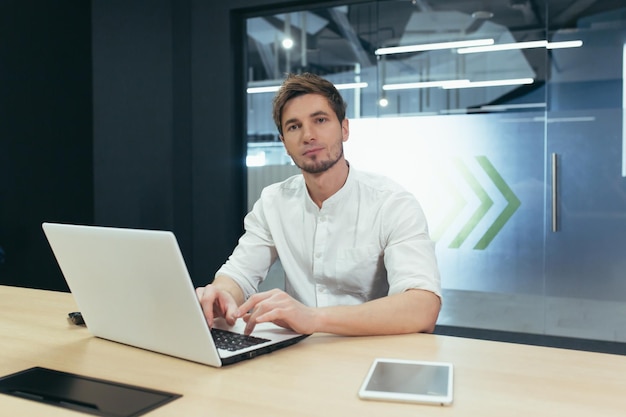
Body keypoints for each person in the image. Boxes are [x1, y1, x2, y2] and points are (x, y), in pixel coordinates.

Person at [197, 72, 441, 336]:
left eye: (320, 120)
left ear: (344, 128)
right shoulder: (273, 202)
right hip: (299, 356)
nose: (308, 135)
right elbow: (239, 274)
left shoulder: (392, 203)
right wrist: (221, 293)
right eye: (294, 126)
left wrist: (314, 319)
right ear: (284, 144)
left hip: (370, 353)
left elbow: (422, 307)